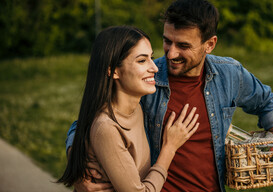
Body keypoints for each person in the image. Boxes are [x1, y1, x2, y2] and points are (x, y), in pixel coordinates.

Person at [65, 0, 273, 192]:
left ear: (210, 44)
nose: (171, 54)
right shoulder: (146, 79)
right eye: (167, 41)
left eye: (183, 45)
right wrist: (79, 168)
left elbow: (267, 103)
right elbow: (92, 121)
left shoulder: (230, 75)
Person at [58, 26, 199, 192]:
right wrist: (169, 148)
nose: (154, 68)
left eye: (151, 57)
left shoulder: (136, 106)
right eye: (141, 60)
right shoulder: (107, 127)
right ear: (113, 71)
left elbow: (84, 125)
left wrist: (75, 152)